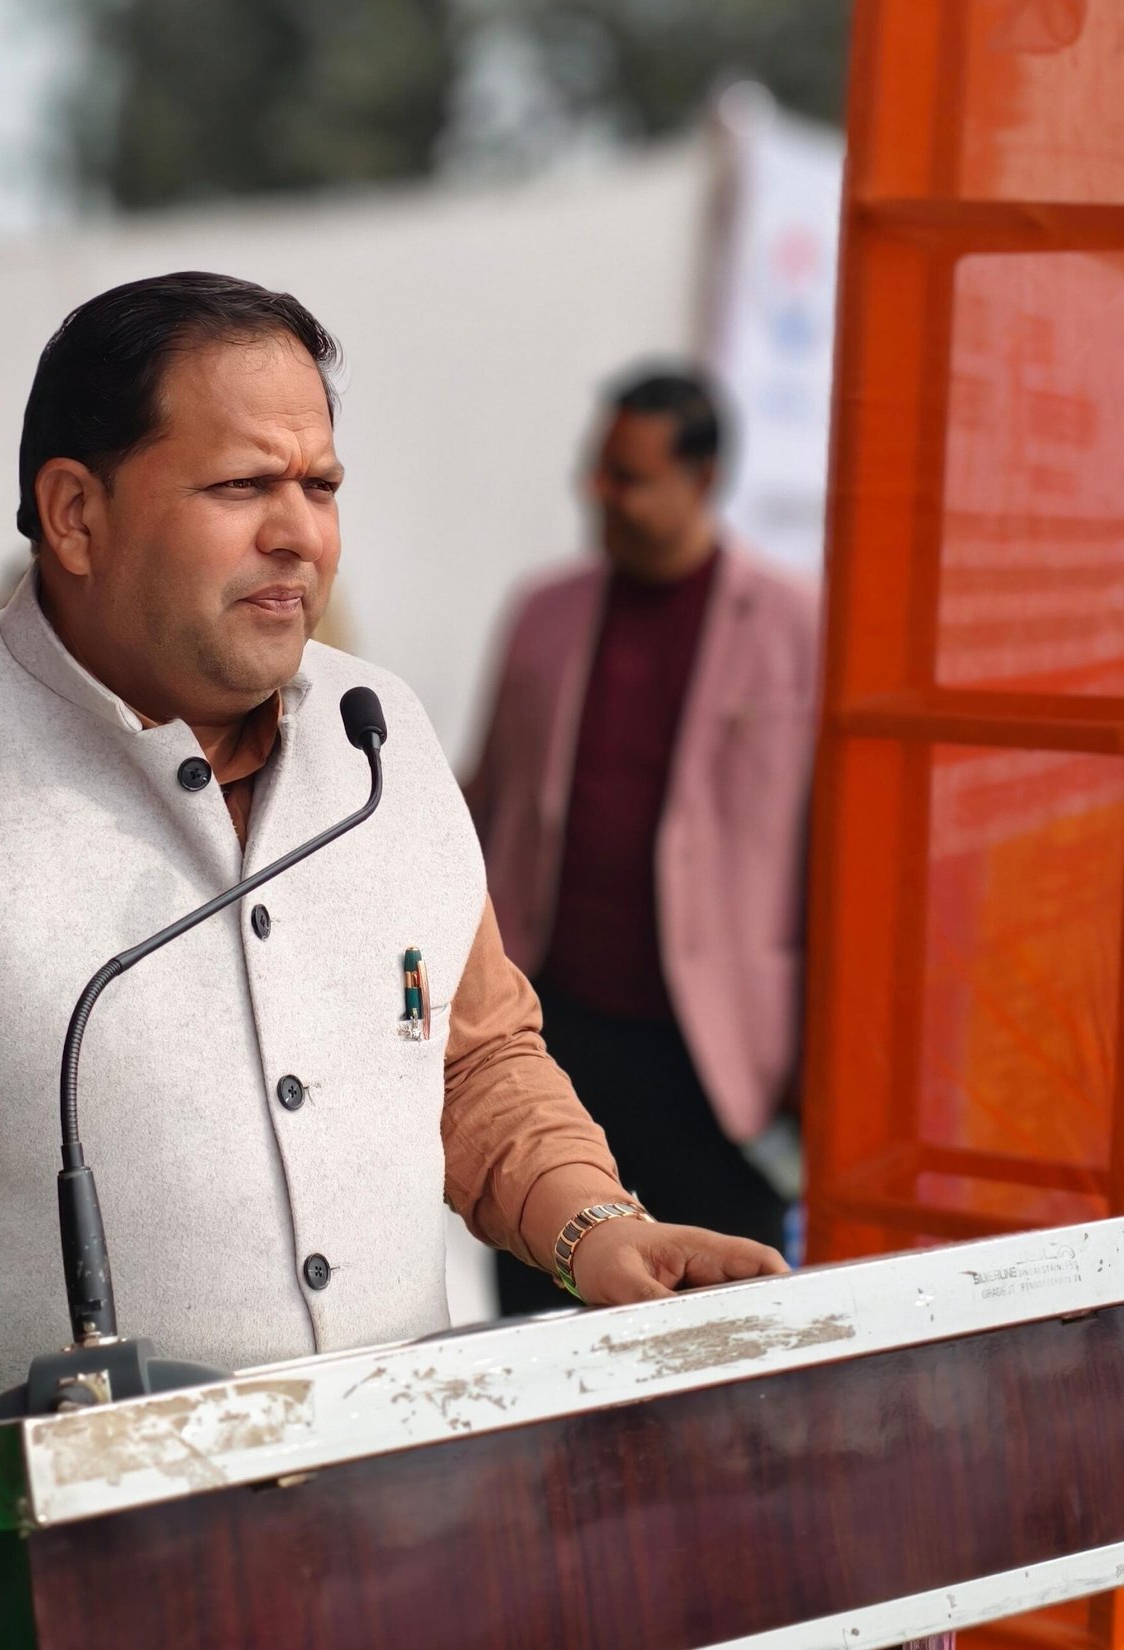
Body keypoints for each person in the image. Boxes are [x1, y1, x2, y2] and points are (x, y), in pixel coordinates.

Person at [0, 279, 785, 1605]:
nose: (300, 532)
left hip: (399, 1563)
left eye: (320, 484)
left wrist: (594, 1225)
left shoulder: (387, 741)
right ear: (75, 513)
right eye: (244, 485)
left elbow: (472, 1058)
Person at [466, 368, 819, 1317]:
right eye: (599, 468)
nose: (600, 494)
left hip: (718, 1060)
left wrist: (811, 1065)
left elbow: (830, 856)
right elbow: (487, 796)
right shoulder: (544, 612)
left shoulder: (796, 624)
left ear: (702, 480)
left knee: (719, 1324)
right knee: (540, 1311)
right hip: (555, 1034)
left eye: (629, 477)